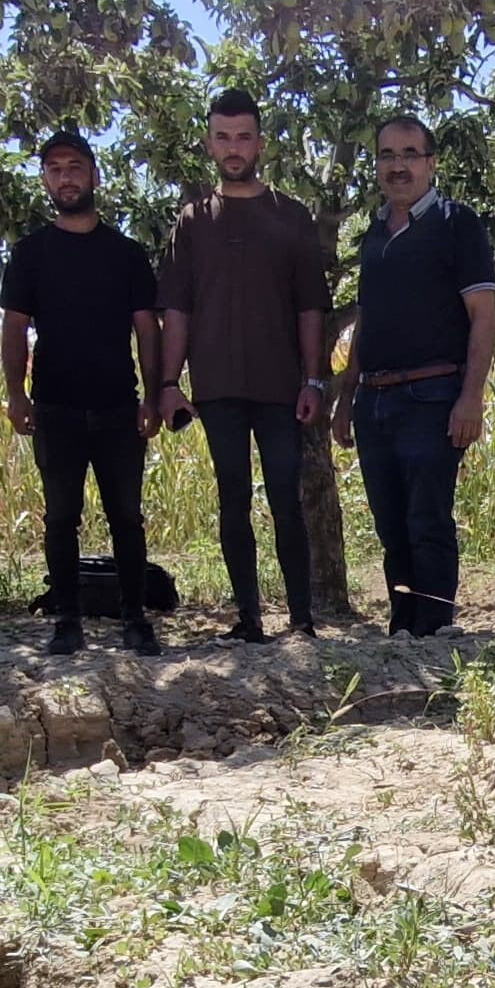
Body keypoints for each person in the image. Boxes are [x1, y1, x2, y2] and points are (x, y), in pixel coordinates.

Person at [158, 88, 332, 639]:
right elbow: (177, 311)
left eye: (244, 137)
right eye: (223, 137)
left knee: (287, 496)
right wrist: (168, 382)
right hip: (216, 387)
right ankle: (248, 619)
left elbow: (311, 307)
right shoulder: (191, 222)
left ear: (259, 142)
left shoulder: (291, 215)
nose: (234, 148)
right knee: (232, 498)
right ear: (210, 144)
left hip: (281, 385)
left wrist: (312, 379)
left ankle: (301, 619)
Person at [0, 130, 165, 656]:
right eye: (54, 169)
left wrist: (155, 395)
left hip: (118, 405)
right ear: (45, 180)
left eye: (74, 167)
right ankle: (66, 619)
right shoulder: (30, 253)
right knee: (60, 516)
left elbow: (147, 330)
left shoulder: (127, 253)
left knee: (126, 517)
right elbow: (14, 328)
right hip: (55, 405)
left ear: (93, 174)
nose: (65, 177)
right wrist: (15, 394)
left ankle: (135, 619)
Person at [331, 113, 495, 636]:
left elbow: (484, 317)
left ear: (430, 162)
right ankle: (402, 631)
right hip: (375, 400)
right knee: (391, 525)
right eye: (387, 155)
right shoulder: (375, 235)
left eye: (409, 154)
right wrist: (345, 395)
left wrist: (470, 399)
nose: (397, 166)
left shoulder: (458, 224)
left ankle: (435, 631)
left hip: (433, 395)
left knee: (427, 520)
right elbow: (368, 320)